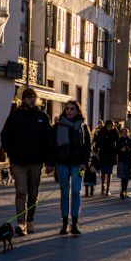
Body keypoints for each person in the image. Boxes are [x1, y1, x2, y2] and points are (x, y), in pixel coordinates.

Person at [0, 86, 54, 235]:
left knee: (33, 194)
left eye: (34, 98)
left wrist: (49, 162)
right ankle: (21, 223)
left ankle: (30, 220)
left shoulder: (43, 117)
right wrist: (12, 153)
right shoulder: (15, 116)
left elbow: (49, 141)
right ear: (23, 99)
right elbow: (5, 136)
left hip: (36, 162)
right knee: (21, 192)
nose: (32, 100)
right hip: (18, 162)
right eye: (29, 98)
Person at [53, 99, 91, 235]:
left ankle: (75, 222)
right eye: (67, 108)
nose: (69, 111)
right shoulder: (58, 126)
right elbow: (53, 146)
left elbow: (88, 147)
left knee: (75, 192)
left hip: (77, 164)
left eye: (72, 109)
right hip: (62, 163)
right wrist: (51, 164)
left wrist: (85, 162)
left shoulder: (83, 127)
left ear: (77, 111)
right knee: (64, 194)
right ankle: (64, 224)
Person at [94, 120, 119, 196]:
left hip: (111, 154)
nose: (111, 128)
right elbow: (97, 143)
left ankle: (108, 187)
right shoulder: (101, 133)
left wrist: (115, 129)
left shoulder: (114, 132)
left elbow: (118, 139)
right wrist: (96, 151)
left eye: (112, 126)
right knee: (103, 172)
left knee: (109, 172)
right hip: (103, 154)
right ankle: (102, 185)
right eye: (109, 127)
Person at [116, 129, 131, 199]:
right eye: (123, 132)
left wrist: (130, 149)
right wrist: (121, 150)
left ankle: (125, 191)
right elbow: (116, 150)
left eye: (126, 132)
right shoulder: (119, 141)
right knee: (123, 177)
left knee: (127, 177)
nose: (125, 133)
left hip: (128, 160)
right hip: (121, 160)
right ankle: (122, 191)